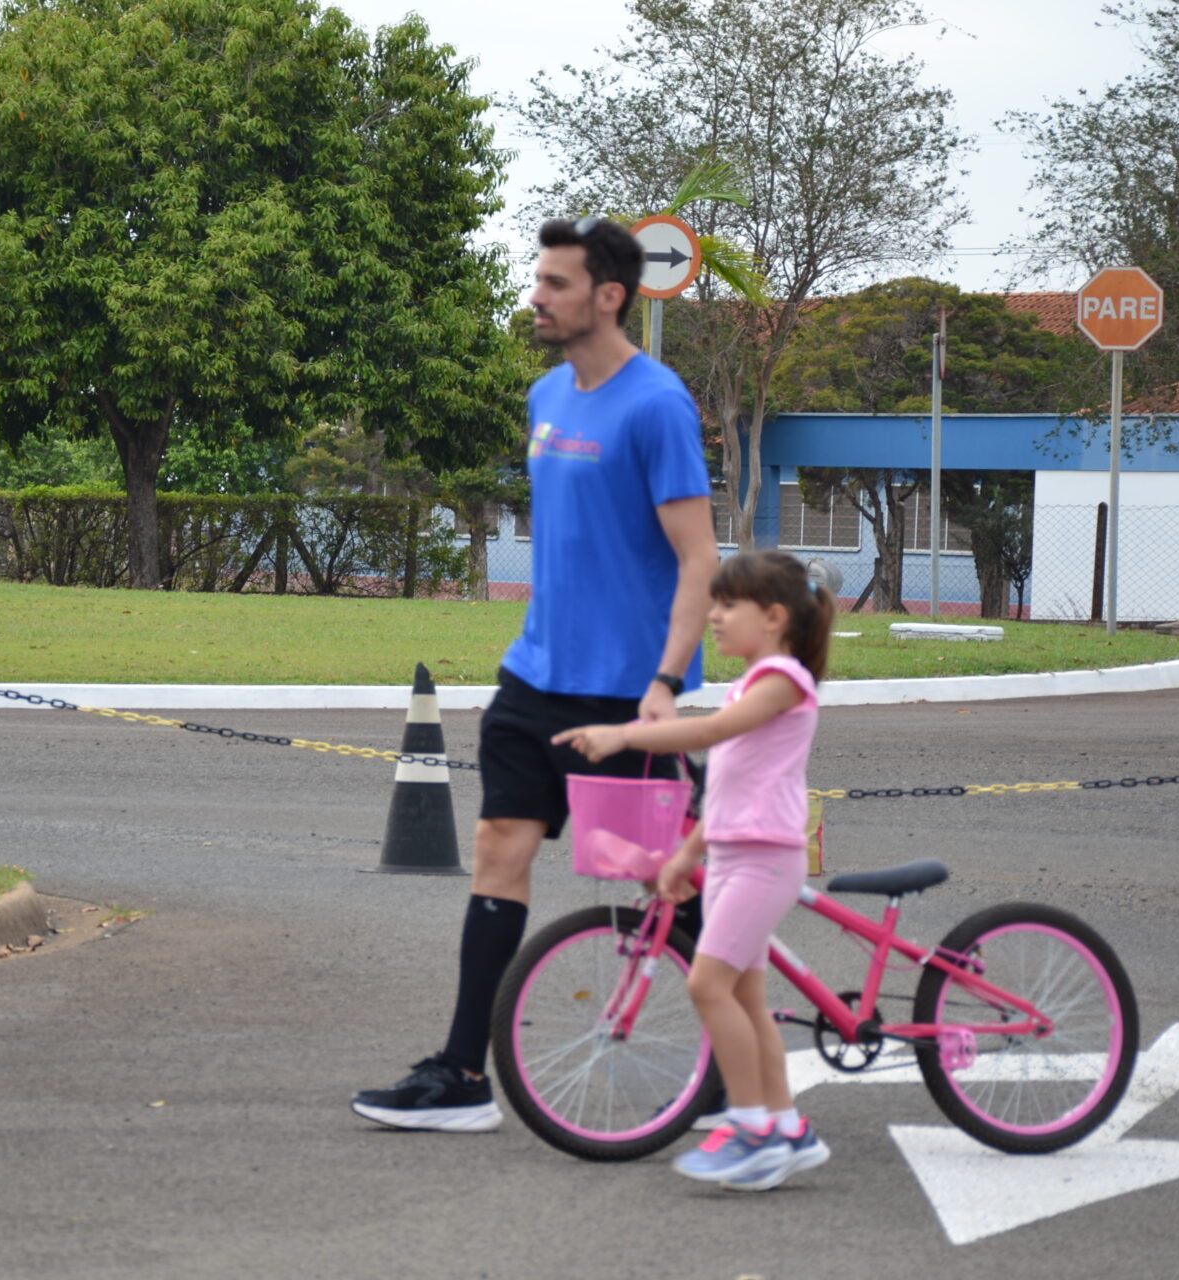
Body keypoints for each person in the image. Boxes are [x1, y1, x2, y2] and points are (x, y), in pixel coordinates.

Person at [350, 215, 719, 1133]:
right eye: (539, 279)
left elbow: (698, 559)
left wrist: (666, 683)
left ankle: (736, 1083)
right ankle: (460, 1076)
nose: (537, 297)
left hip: (626, 694)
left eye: (557, 283)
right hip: (533, 678)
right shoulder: (546, 394)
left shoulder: (657, 404)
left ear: (609, 296)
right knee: (497, 850)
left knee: (670, 884)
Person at [554, 549, 834, 1191]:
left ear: (773, 617)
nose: (713, 616)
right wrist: (686, 855)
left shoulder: (784, 680)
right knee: (746, 998)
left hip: (764, 861)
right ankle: (785, 1126)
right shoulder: (753, 683)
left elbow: (709, 735)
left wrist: (625, 735)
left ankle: (751, 1129)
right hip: (738, 855)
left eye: (727, 605)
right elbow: (729, 789)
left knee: (707, 985)